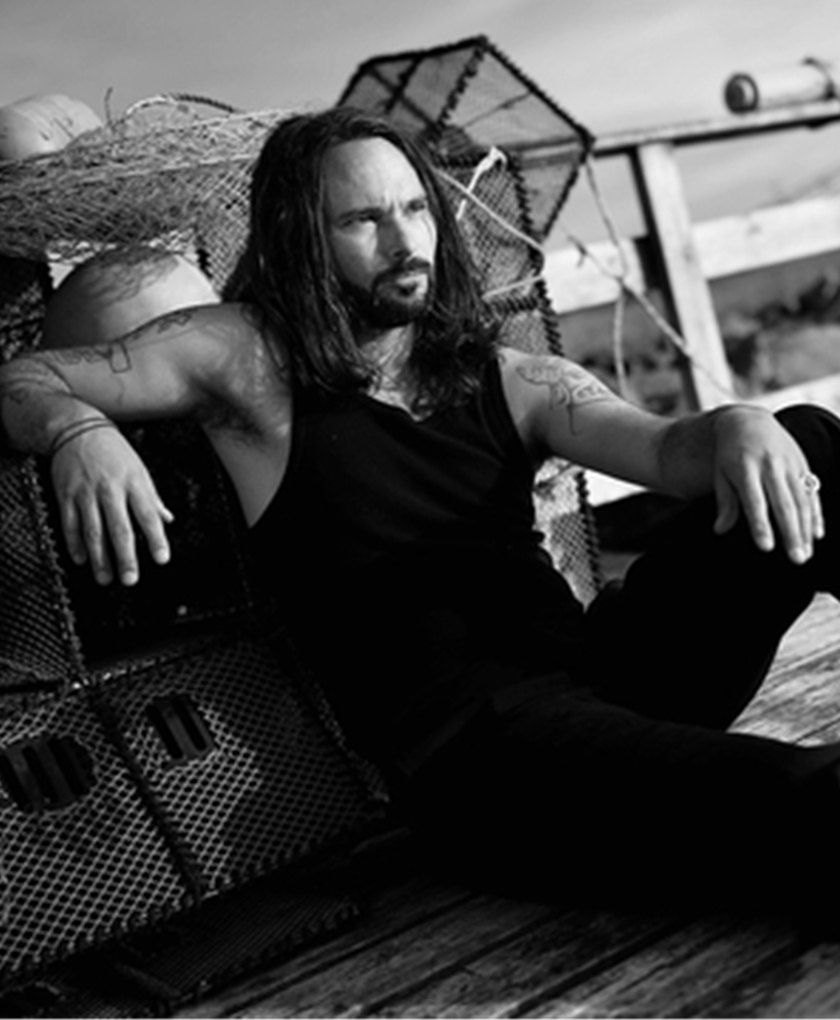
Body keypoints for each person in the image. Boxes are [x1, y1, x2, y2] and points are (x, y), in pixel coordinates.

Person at [2, 105, 840, 926]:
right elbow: (24, 377)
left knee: (806, 440)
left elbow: (664, 449)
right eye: (363, 220)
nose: (405, 242)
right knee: (805, 802)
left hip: (612, 677)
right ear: (302, 238)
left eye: (414, 209)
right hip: (486, 763)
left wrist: (738, 424)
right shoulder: (249, 361)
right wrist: (79, 430)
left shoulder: (502, 374)